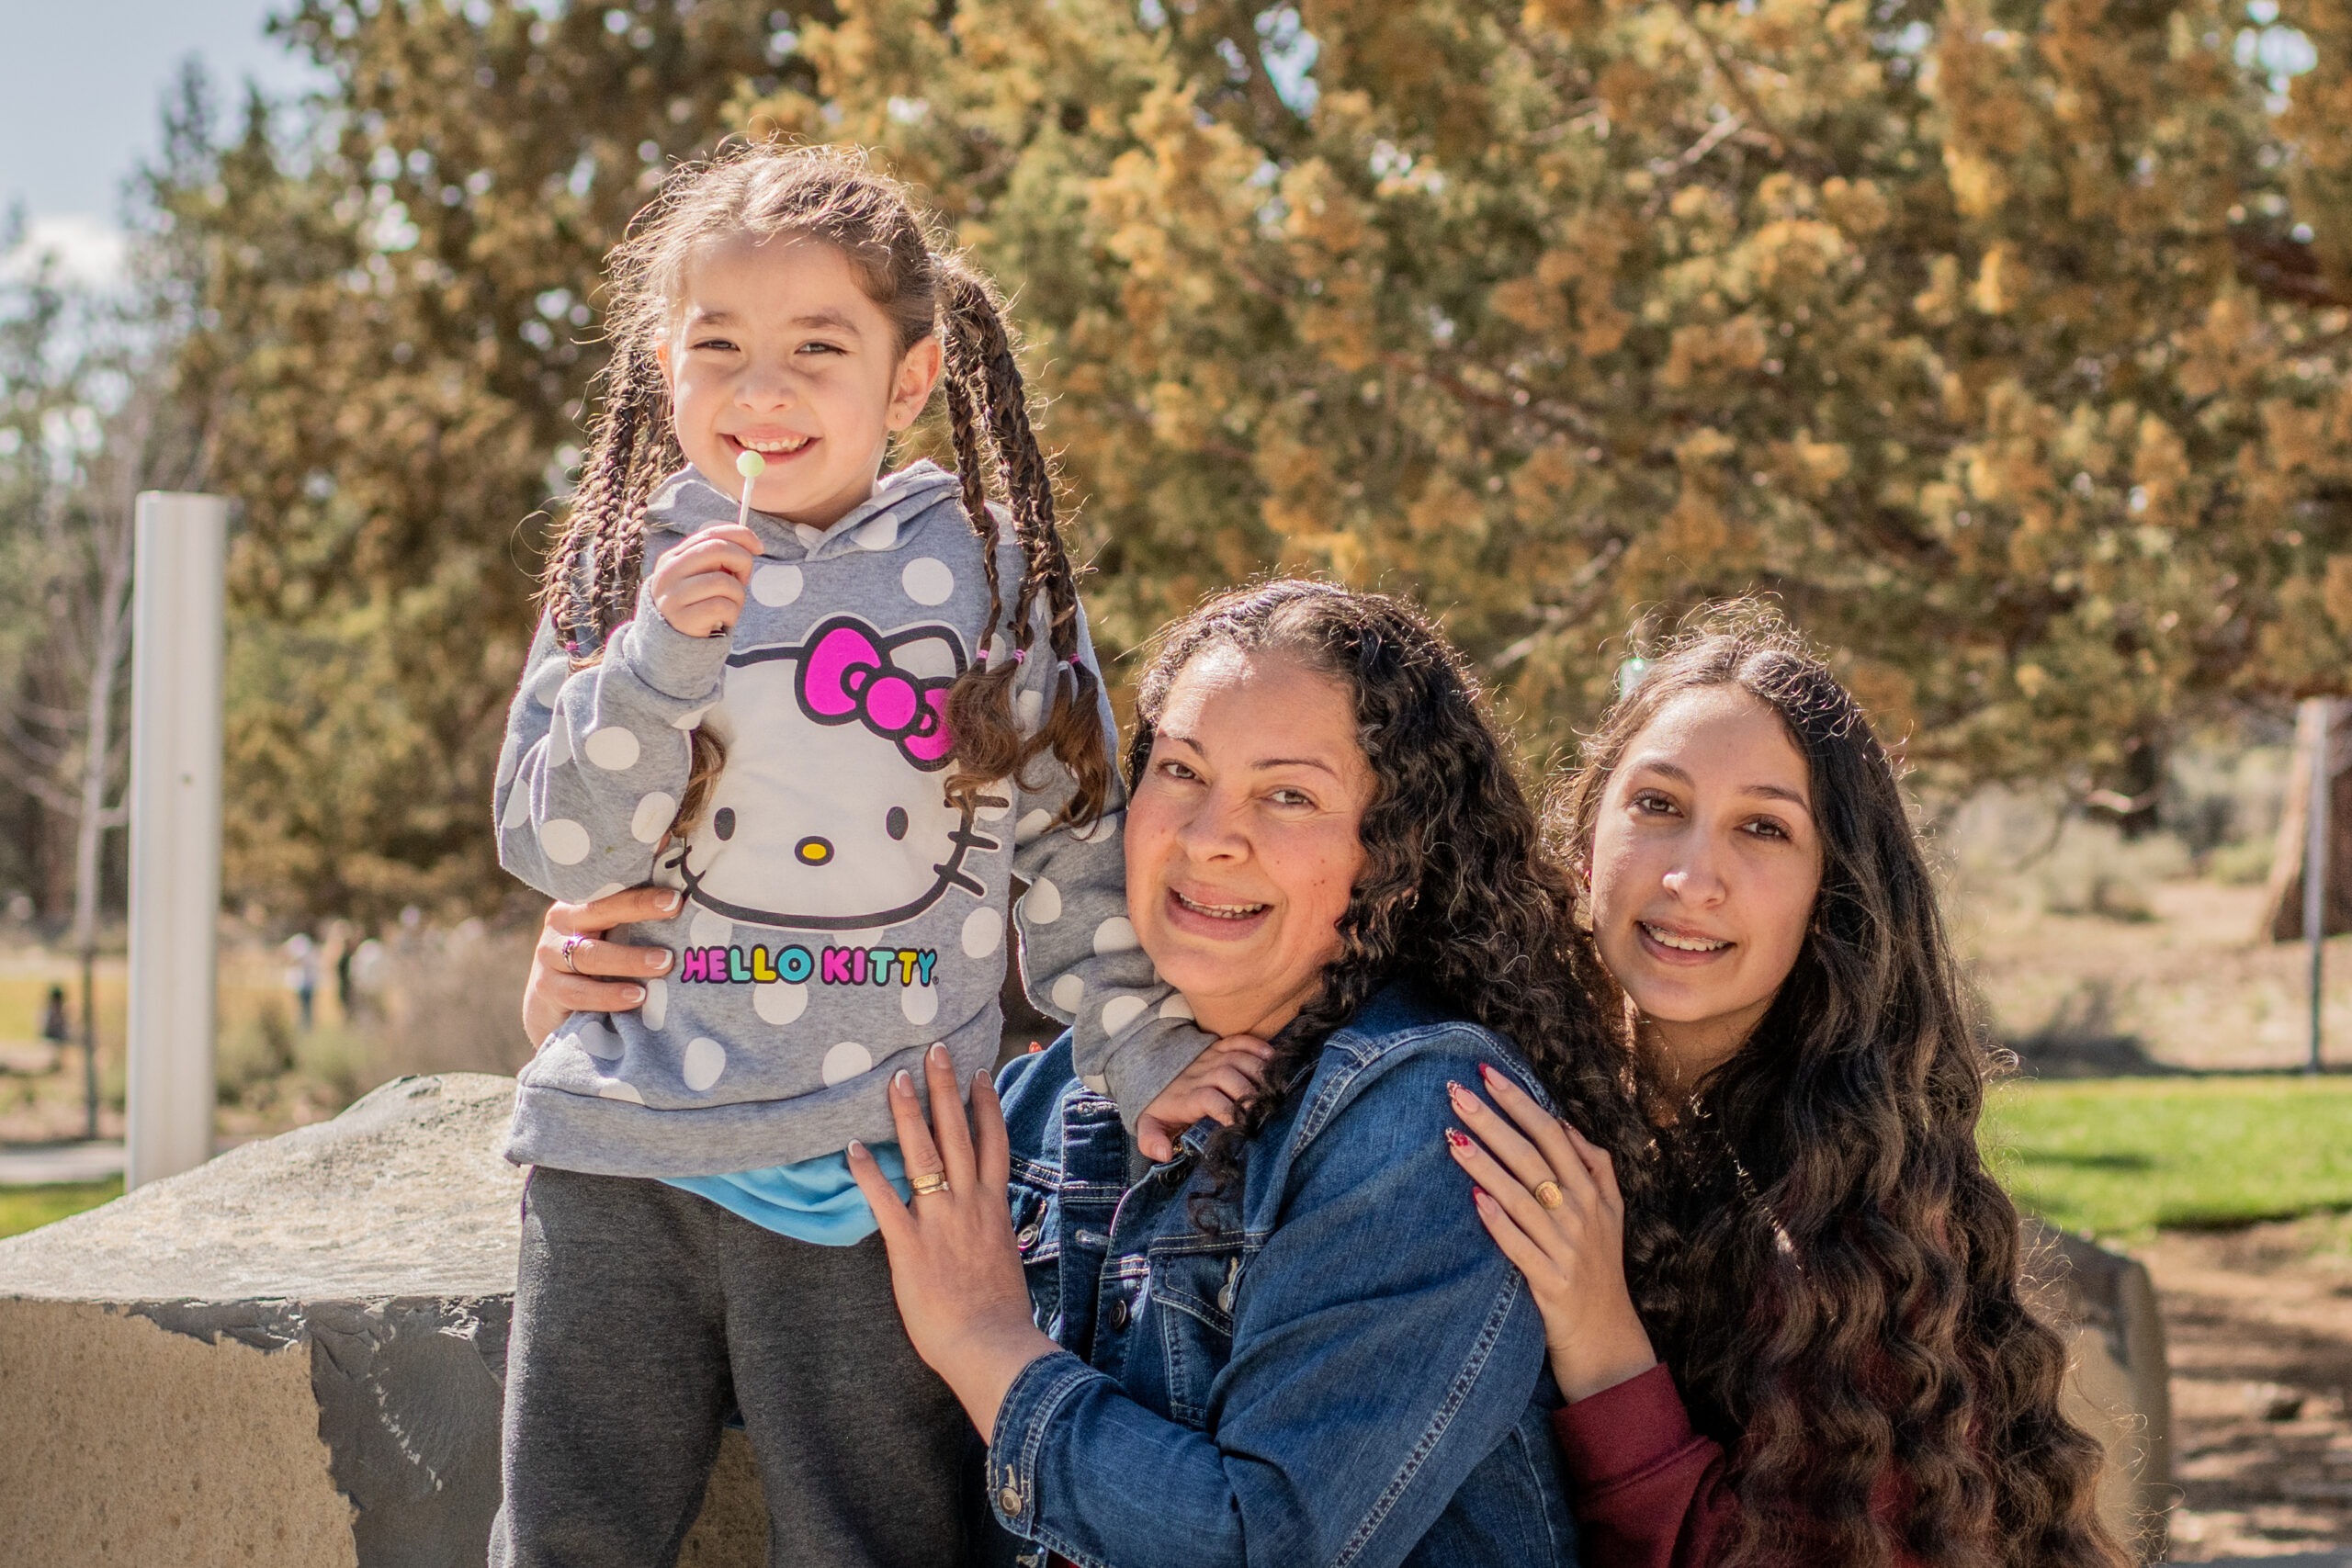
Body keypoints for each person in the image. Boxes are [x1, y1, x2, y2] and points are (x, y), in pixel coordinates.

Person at [487, 143, 1233, 1567]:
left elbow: (1073, 847)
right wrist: (652, 666)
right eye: (719, 347)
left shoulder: (994, 576)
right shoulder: (619, 567)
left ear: (909, 379)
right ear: (665, 365)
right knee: (566, 1537)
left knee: (871, 1540)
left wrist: (1143, 1046)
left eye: (817, 348)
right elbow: (551, 840)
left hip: (883, 1173)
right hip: (619, 1157)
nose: (761, 391)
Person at [843, 581, 1661, 1567]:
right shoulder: (1042, 1097)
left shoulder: (1426, 1117)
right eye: (1182, 770)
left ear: (1392, 858)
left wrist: (988, 1344)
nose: (1208, 836)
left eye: (1289, 795)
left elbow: (1265, 1543)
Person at [1448, 609, 2129, 1568]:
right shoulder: (1507, 1083)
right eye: (1656, 805)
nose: (1692, 877)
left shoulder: (1861, 1227)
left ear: (1830, 894)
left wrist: (1601, 1337)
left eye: (1763, 828)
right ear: (1587, 843)